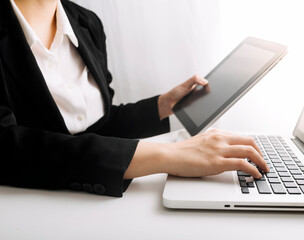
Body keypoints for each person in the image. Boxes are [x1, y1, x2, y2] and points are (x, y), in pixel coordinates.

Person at [0, 0, 269, 197]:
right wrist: (168, 155)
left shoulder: (86, 22)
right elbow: (7, 147)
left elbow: (95, 126)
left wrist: (162, 106)